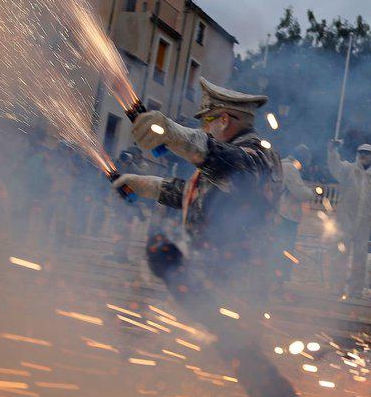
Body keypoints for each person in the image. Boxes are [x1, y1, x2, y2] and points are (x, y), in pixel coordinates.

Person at [112, 77, 282, 291]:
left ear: (224, 120)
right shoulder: (236, 152)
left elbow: (233, 165)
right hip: (213, 276)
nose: (203, 128)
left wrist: (172, 133)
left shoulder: (257, 154)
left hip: (236, 282)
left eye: (206, 121)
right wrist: (149, 186)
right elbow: (202, 196)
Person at [326, 140, 371, 297]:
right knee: (340, 255)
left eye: (367, 154)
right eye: (361, 153)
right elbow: (334, 166)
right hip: (346, 220)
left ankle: (356, 291)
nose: (364, 156)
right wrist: (332, 151)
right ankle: (337, 288)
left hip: (364, 224)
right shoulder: (348, 169)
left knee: (360, 258)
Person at [277, 144, 315, 282]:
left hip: (282, 215)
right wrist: (312, 193)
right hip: (285, 215)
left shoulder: (283, 165)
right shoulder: (290, 167)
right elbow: (299, 192)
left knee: (281, 251)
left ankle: (277, 282)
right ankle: (279, 283)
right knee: (284, 251)